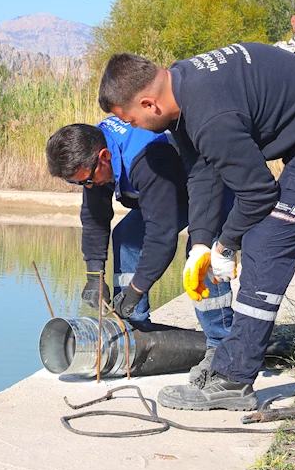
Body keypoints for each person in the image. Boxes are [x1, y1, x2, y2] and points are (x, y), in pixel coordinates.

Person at [98, 43, 295, 410]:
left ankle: (232, 377)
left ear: (149, 104)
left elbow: (259, 194)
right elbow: (203, 171)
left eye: (132, 119)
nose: (133, 127)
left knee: (267, 241)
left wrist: (226, 245)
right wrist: (200, 243)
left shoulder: (209, 113)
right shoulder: (183, 86)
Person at [45, 117, 234, 379]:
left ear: (104, 156)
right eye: (79, 184)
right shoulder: (92, 150)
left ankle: (221, 344)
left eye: (87, 180)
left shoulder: (145, 157)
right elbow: (95, 217)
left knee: (202, 255)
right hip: (172, 189)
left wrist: (137, 288)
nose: (87, 187)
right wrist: (94, 275)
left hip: (214, 186)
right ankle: (134, 327)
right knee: (127, 235)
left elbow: (161, 237)